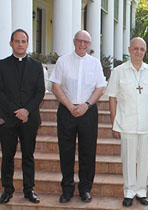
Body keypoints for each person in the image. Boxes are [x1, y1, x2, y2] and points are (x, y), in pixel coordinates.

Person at [50, 30, 107, 203]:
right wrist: (69, 106)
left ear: (90, 45)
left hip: (88, 112)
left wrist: (86, 105)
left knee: (88, 152)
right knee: (66, 151)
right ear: (74, 41)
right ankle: (67, 189)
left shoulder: (95, 64)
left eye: (86, 42)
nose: (82, 45)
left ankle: (85, 189)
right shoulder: (63, 61)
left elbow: (100, 87)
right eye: (79, 41)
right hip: (66, 112)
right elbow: (55, 86)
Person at [106, 37, 148, 207]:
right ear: (129, 49)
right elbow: (112, 98)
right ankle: (129, 192)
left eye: (142, 49)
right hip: (125, 123)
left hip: (146, 124)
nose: (138, 52)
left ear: (145, 51)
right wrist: (115, 122)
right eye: (135, 48)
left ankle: (141, 191)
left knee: (144, 160)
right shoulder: (118, 71)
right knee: (128, 160)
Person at [0, 29, 45, 204]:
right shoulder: (2, 65)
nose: (20, 44)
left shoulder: (36, 66)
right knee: (7, 156)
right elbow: (0, 93)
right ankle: (7, 189)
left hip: (29, 119)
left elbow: (40, 91)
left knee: (28, 155)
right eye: (17, 41)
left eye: (23, 41)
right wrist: (16, 111)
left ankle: (29, 189)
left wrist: (26, 110)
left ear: (27, 44)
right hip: (8, 120)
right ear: (11, 43)